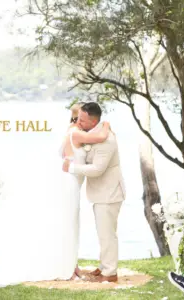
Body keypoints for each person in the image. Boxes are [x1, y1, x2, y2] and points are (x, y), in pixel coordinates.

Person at [0, 103, 111, 293]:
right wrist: (106, 125)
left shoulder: (72, 131)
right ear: (78, 118)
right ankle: (66, 268)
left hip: (72, 182)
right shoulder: (76, 132)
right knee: (68, 224)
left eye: (84, 119)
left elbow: (63, 153)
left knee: (71, 224)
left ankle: (71, 265)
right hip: (69, 183)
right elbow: (101, 136)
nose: (82, 122)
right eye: (81, 118)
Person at [63, 102, 126, 283]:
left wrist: (72, 168)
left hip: (110, 192)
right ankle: (105, 266)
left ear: (94, 121)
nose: (78, 122)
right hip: (102, 191)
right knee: (103, 232)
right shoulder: (92, 133)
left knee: (107, 234)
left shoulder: (107, 140)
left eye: (82, 120)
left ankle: (110, 273)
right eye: (78, 118)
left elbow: (98, 169)